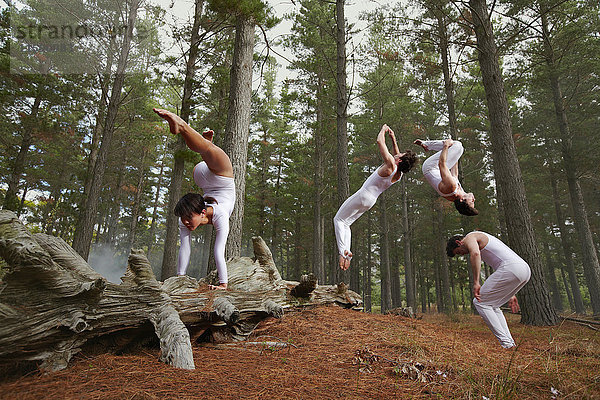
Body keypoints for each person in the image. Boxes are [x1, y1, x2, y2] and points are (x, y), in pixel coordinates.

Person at [154, 108, 234, 290]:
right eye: (183, 219)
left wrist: (223, 284)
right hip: (208, 177)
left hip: (218, 178)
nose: (185, 223)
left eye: (188, 219)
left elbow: (218, 251)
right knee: (207, 151)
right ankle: (204, 144)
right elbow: (184, 248)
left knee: (208, 150)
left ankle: (183, 126)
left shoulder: (220, 215)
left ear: (202, 212)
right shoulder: (188, 215)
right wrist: (180, 278)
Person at [334, 124, 417, 270]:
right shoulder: (399, 174)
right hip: (371, 201)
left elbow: (379, 141)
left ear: (399, 160)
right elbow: (397, 154)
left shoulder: (391, 164)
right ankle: (347, 252)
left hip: (363, 195)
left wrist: (383, 130)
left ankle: (342, 252)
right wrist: (393, 139)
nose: (398, 153)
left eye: (401, 155)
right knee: (346, 224)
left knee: (338, 219)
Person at [446, 231, 531, 348]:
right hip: (524, 270)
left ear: (458, 242)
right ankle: (510, 343)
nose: (462, 254)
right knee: (493, 306)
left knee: (480, 302)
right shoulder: (486, 238)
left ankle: (506, 344)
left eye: (459, 252)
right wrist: (511, 293)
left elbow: (475, 254)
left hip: (511, 268)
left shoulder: (470, 237)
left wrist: (476, 282)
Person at [414, 138, 478, 216]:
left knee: (457, 146)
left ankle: (427, 144)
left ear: (462, 200)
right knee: (459, 149)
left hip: (430, 167)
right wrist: (455, 156)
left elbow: (442, 164)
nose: (474, 199)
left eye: (472, 201)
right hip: (437, 168)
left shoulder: (451, 187)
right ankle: (426, 144)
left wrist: (446, 146)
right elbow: (454, 174)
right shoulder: (459, 194)